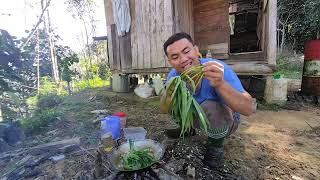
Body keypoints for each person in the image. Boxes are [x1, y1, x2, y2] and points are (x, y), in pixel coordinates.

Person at [160, 32, 254, 169]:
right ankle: (187, 129)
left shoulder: (217, 70)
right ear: (170, 62)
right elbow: (164, 109)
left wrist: (221, 84)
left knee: (211, 106)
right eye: (175, 57)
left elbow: (248, 109)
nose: (183, 59)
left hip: (225, 121)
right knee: (176, 98)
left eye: (186, 51)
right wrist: (169, 93)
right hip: (198, 118)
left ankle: (216, 147)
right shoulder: (174, 76)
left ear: (196, 50)